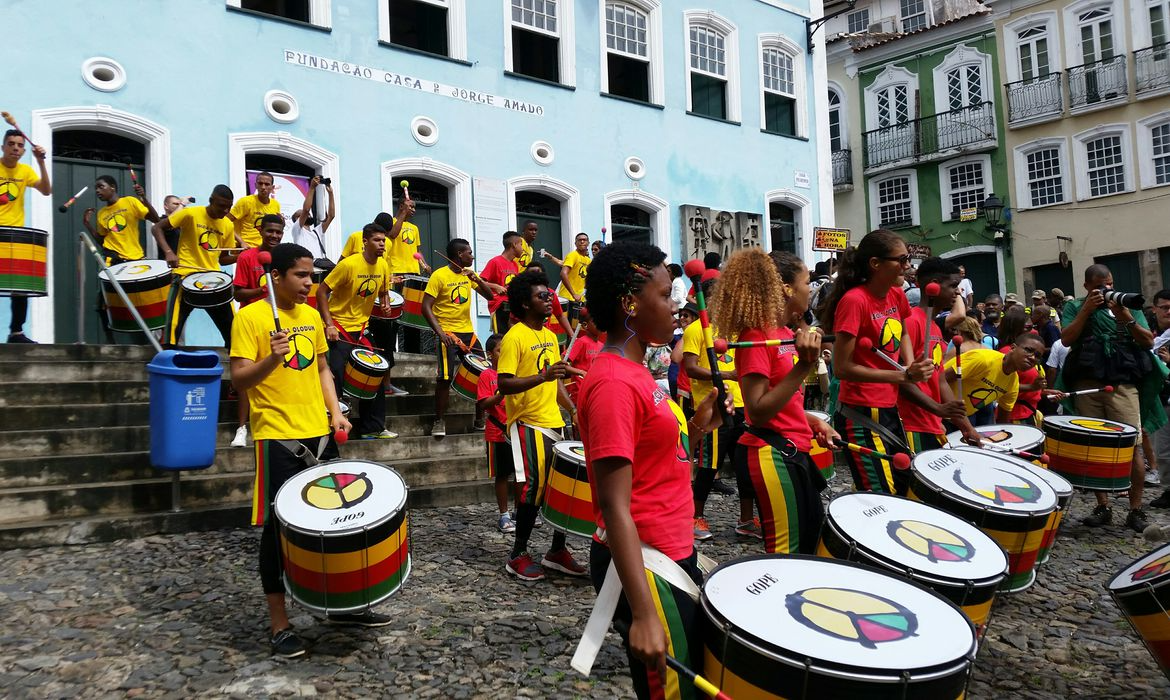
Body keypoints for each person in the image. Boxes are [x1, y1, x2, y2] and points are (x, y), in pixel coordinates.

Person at [578, 240, 724, 700]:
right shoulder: (615, 383)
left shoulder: (639, 372)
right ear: (629, 304)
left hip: (670, 551)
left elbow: (655, 460)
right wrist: (643, 613)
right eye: (664, 295)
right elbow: (613, 504)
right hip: (646, 564)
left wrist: (697, 429)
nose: (676, 304)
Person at [231, 242, 390, 659]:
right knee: (277, 531)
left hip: (319, 433)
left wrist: (335, 412)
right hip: (278, 438)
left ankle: (340, 607)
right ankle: (280, 625)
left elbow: (321, 368)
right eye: (301, 275)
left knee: (335, 525)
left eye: (312, 276)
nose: (309, 283)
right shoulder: (249, 318)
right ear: (277, 276)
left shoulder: (312, 318)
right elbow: (240, 381)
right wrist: (272, 359)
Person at [714, 248, 839, 554]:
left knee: (811, 544)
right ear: (786, 288)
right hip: (769, 453)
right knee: (788, 555)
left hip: (792, 449)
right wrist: (803, 366)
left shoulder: (784, 333)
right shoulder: (757, 335)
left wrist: (813, 422)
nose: (810, 289)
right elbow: (756, 411)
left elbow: (785, 400)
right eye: (807, 281)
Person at [819, 229, 933, 495]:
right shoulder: (854, 301)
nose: (908, 265)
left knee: (904, 485)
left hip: (889, 405)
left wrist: (909, 363)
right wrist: (903, 376)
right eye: (902, 259)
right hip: (860, 413)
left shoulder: (896, 295)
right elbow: (843, 367)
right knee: (881, 493)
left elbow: (902, 330)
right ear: (875, 264)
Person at [1060, 264, 1165, 532]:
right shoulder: (1075, 307)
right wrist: (1086, 310)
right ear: (1086, 287)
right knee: (1095, 448)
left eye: (1109, 284)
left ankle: (1135, 509)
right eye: (1099, 286)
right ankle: (1102, 506)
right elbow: (1067, 339)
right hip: (1088, 384)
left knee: (1132, 446)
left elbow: (1147, 342)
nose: (1106, 290)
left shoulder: (1129, 304)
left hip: (1122, 384)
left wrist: (1125, 316)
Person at [497, 268, 585, 581]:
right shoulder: (514, 337)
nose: (550, 300)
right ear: (524, 304)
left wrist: (572, 408)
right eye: (541, 296)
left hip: (554, 421)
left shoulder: (550, 336)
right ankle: (517, 553)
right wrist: (543, 377)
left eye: (549, 295)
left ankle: (556, 550)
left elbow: (555, 380)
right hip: (527, 424)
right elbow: (504, 384)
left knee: (561, 488)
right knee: (533, 489)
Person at [683, 275, 755, 540]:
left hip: (741, 405)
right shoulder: (694, 331)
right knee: (708, 466)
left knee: (745, 465)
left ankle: (746, 520)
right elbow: (690, 367)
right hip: (712, 407)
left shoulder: (737, 330)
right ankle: (695, 517)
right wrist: (726, 376)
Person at [317, 223, 396, 440]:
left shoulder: (382, 265)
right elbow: (322, 292)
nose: (382, 244)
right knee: (337, 377)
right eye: (378, 240)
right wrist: (329, 324)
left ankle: (373, 427)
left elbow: (383, 291)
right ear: (365, 242)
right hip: (339, 328)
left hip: (362, 329)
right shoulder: (349, 265)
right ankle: (333, 426)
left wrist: (385, 302)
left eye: (384, 241)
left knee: (375, 373)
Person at [897, 257, 981, 451]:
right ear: (933, 286)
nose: (958, 292)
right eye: (953, 286)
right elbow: (900, 378)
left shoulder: (934, 327)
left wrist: (966, 428)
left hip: (932, 424)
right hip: (912, 425)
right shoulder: (911, 322)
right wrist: (937, 409)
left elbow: (940, 381)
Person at [151, 185, 239, 348]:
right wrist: (169, 252)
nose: (225, 211)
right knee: (172, 331)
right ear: (211, 201)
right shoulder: (191, 214)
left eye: (229, 207)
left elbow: (223, 258)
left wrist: (239, 257)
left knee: (234, 332)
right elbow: (157, 228)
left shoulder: (227, 225)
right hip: (185, 276)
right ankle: (169, 365)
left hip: (213, 281)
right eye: (221, 206)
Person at [422, 238, 492, 437]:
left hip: (468, 333)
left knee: (484, 374)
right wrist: (440, 333)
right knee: (444, 377)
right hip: (448, 333)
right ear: (460, 254)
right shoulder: (439, 276)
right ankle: (438, 421)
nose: (472, 256)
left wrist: (477, 280)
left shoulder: (469, 274)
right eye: (469, 252)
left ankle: (480, 419)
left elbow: (490, 297)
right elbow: (425, 307)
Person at [229, 214, 287, 448]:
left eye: (279, 232)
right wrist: (262, 290)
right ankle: (242, 428)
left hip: (279, 322)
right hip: (251, 323)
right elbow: (237, 293)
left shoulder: (284, 258)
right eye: (270, 231)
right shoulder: (247, 257)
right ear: (260, 231)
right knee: (247, 376)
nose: (274, 235)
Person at [1, 129, 51, 343]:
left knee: (20, 286)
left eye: (20, 145)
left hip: (14, 235)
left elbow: (46, 190)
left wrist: (41, 162)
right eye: (11, 143)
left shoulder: (26, 170)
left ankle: (16, 332)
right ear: (3, 147)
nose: (16, 148)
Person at [944, 334, 1045, 426]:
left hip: (957, 419)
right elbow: (939, 380)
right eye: (1028, 350)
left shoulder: (1012, 384)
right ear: (1013, 347)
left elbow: (1002, 422)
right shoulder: (983, 359)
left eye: (1037, 356)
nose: (1032, 357)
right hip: (936, 413)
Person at [477, 333, 521, 533]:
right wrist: (500, 394)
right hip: (497, 431)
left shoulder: (515, 373)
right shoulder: (487, 376)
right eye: (498, 350)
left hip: (517, 429)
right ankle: (504, 514)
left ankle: (520, 512)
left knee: (520, 474)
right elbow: (484, 403)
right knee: (502, 475)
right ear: (490, 354)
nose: (503, 353)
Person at [82, 174, 159, 265]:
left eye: (101, 187)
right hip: (113, 258)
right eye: (96, 188)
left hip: (135, 257)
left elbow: (155, 219)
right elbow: (102, 241)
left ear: (112, 187)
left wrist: (144, 198)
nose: (97, 191)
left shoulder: (130, 201)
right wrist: (87, 224)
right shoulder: (101, 213)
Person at [996, 308, 1047, 427]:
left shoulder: (1028, 355)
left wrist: (1043, 391)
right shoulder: (1008, 353)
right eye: (1027, 328)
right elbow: (1001, 385)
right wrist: (1031, 387)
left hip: (1029, 413)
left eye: (1032, 327)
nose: (1033, 331)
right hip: (1014, 417)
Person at [1148, 290, 1170, 508]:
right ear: (1155, 309)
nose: (1169, 311)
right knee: (1163, 450)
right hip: (1162, 400)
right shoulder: (1155, 335)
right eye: (1164, 307)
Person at [480, 231, 524, 334]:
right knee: (501, 339)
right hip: (499, 307)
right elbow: (480, 281)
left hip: (512, 307)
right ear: (514, 244)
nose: (522, 248)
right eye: (521, 245)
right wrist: (496, 286)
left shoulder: (514, 265)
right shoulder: (495, 261)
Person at [228, 171, 280, 249]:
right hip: (247, 248)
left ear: (272, 188)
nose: (263, 187)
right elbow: (225, 222)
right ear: (256, 185)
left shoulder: (276, 204)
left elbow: (274, 229)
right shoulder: (245, 202)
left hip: (266, 249)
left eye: (267, 184)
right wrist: (241, 242)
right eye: (260, 183)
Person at [290, 175, 336, 260]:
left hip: (320, 269)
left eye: (308, 214)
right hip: (306, 268)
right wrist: (312, 188)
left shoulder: (316, 231)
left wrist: (330, 193)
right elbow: (306, 209)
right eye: (302, 214)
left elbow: (331, 216)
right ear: (297, 219)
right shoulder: (297, 229)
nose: (308, 214)